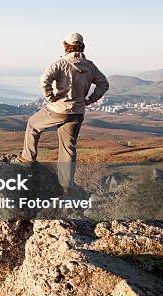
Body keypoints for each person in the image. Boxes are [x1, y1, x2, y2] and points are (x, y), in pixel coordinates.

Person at [19, 32, 109, 193]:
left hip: (58, 109)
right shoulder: (90, 66)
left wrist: (49, 96)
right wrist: (90, 99)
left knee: (33, 124)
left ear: (66, 46)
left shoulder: (60, 64)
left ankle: (27, 159)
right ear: (82, 46)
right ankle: (66, 185)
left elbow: (44, 79)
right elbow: (104, 84)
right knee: (68, 147)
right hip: (77, 112)